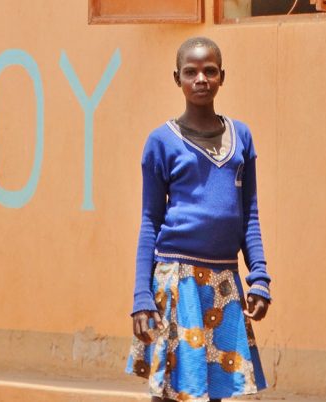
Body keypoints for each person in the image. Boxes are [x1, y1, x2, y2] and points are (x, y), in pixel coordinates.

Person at [125, 37, 272, 402]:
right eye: (191, 72)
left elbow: (249, 216)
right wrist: (142, 297)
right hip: (178, 281)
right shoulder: (161, 142)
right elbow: (150, 221)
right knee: (173, 388)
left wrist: (259, 278)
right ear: (177, 78)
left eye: (210, 71)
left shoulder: (242, 138)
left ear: (223, 76)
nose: (201, 79)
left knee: (216, 389)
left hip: (224, 281)